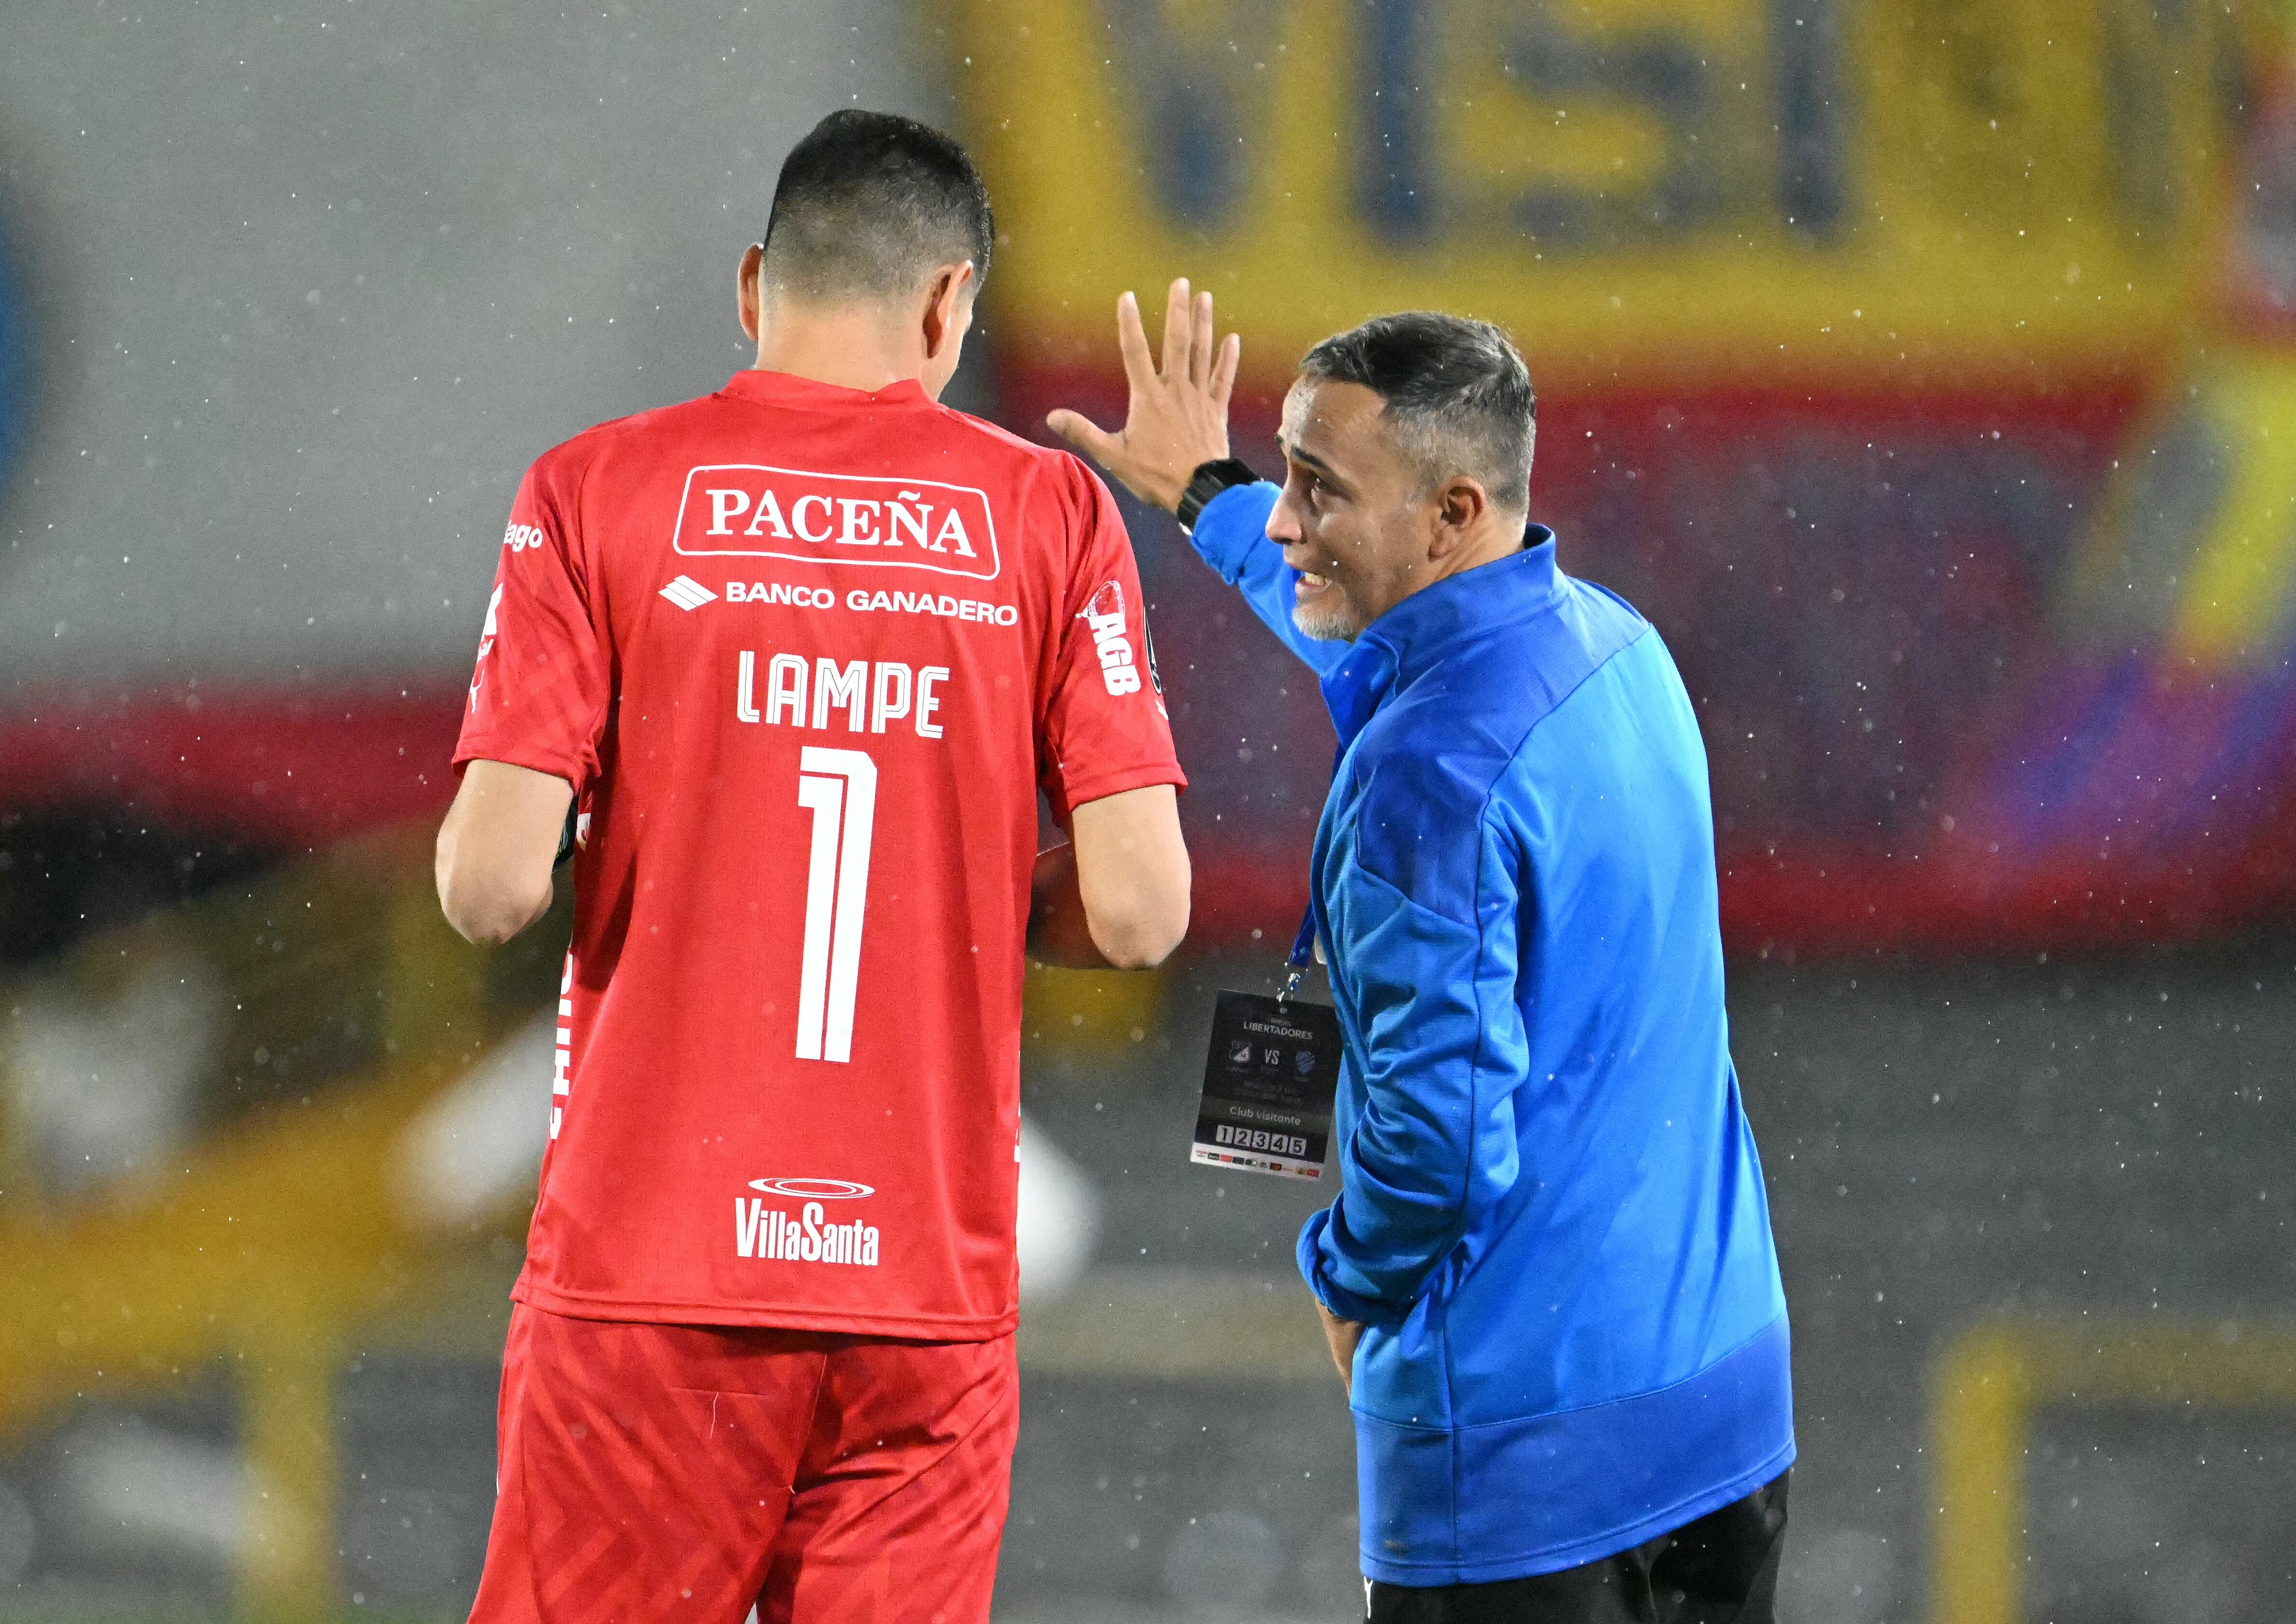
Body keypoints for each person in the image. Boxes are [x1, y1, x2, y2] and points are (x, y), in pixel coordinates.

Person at [433, 111, 1192, 1624]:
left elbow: (491, 887)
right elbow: (1142, 907)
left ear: (751, 287)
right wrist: (965, 892)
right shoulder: (1047, 516)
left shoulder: (596, 491)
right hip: (920, 1289)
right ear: (948, 305)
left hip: (653, 1277)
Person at [1050, 285, 1793, 1622]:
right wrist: (1205, 493)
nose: (1285, 520)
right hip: (1721, 1413)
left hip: (1526, 1471)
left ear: (1452, 514)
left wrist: (1345, 1279)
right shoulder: (1611, 647)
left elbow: (1442, 1151)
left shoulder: (1424, 778)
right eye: (1283, 478)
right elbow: (1372, 651)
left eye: (1318, 489)